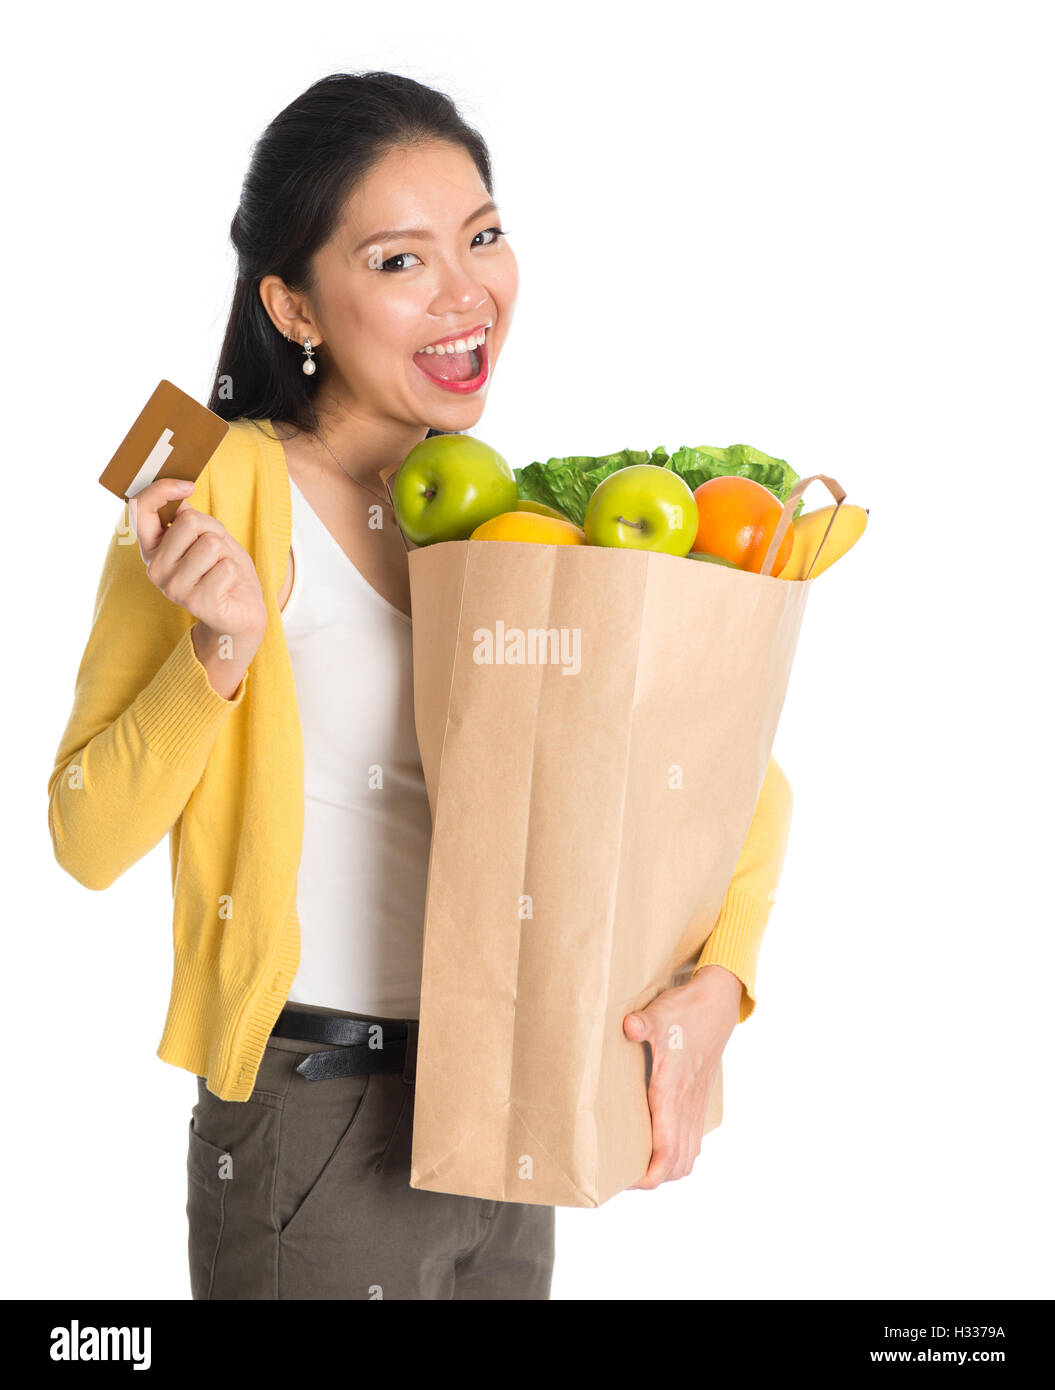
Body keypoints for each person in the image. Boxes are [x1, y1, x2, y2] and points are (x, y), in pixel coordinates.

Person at [47, 71, 793, 1300]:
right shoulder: (208, 490)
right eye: (400, 261)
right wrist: (219, 651)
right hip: (311, 1120)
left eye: (483, 236)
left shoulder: (510, 514)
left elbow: (724, 771)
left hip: (510, 1099)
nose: (466, 293)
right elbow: (83, 833)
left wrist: (724, 976)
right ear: (290, 303)